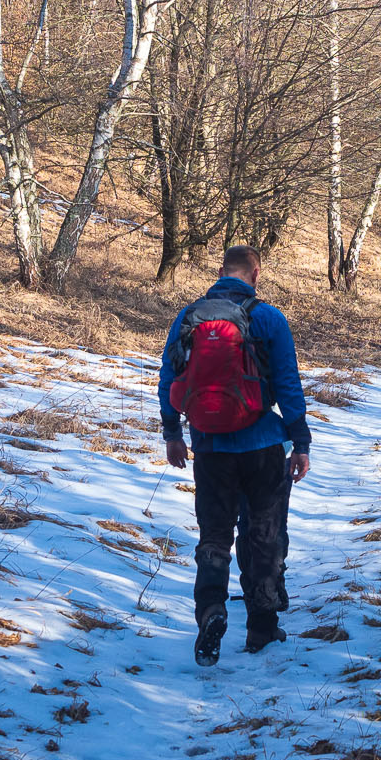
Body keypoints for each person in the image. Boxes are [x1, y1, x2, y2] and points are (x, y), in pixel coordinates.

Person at [159, 245, 311, 666]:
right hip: (263, 445)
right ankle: (261, 629)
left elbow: (169, 376)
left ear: (221, 271)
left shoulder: (190, 316)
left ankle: (211, 610)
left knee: (214, 535)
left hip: (209, 446)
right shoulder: (268, 317)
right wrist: (300, 441)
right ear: (255, 274)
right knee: (262, 534)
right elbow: (287, 383)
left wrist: (173, 432)